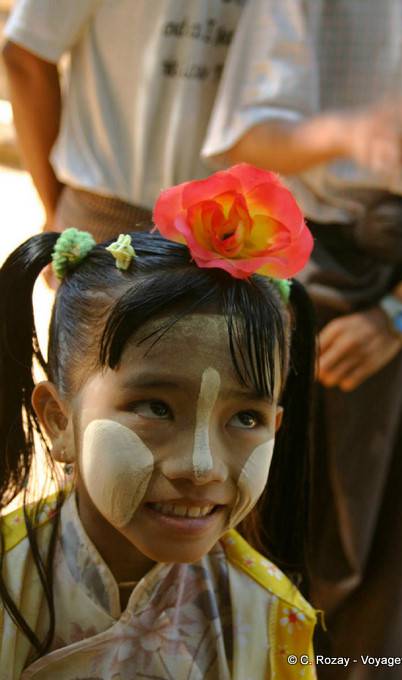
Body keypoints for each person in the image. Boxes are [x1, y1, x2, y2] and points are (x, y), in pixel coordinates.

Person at [200, 0, 402, 677]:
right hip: (307, 266)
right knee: (276, 525)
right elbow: (245, 131)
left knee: (385, 545)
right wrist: (346, 132)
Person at [0, 164, 318, 679]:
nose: (201, 466)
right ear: (60, 420)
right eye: (156, 408)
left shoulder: (270, 617)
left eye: (244, 417)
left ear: (277, 427)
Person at [2, 0, 245, 241]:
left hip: (233, 231)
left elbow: (26, 54)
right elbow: (27, 52)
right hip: (109, 222)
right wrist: (57, 206)